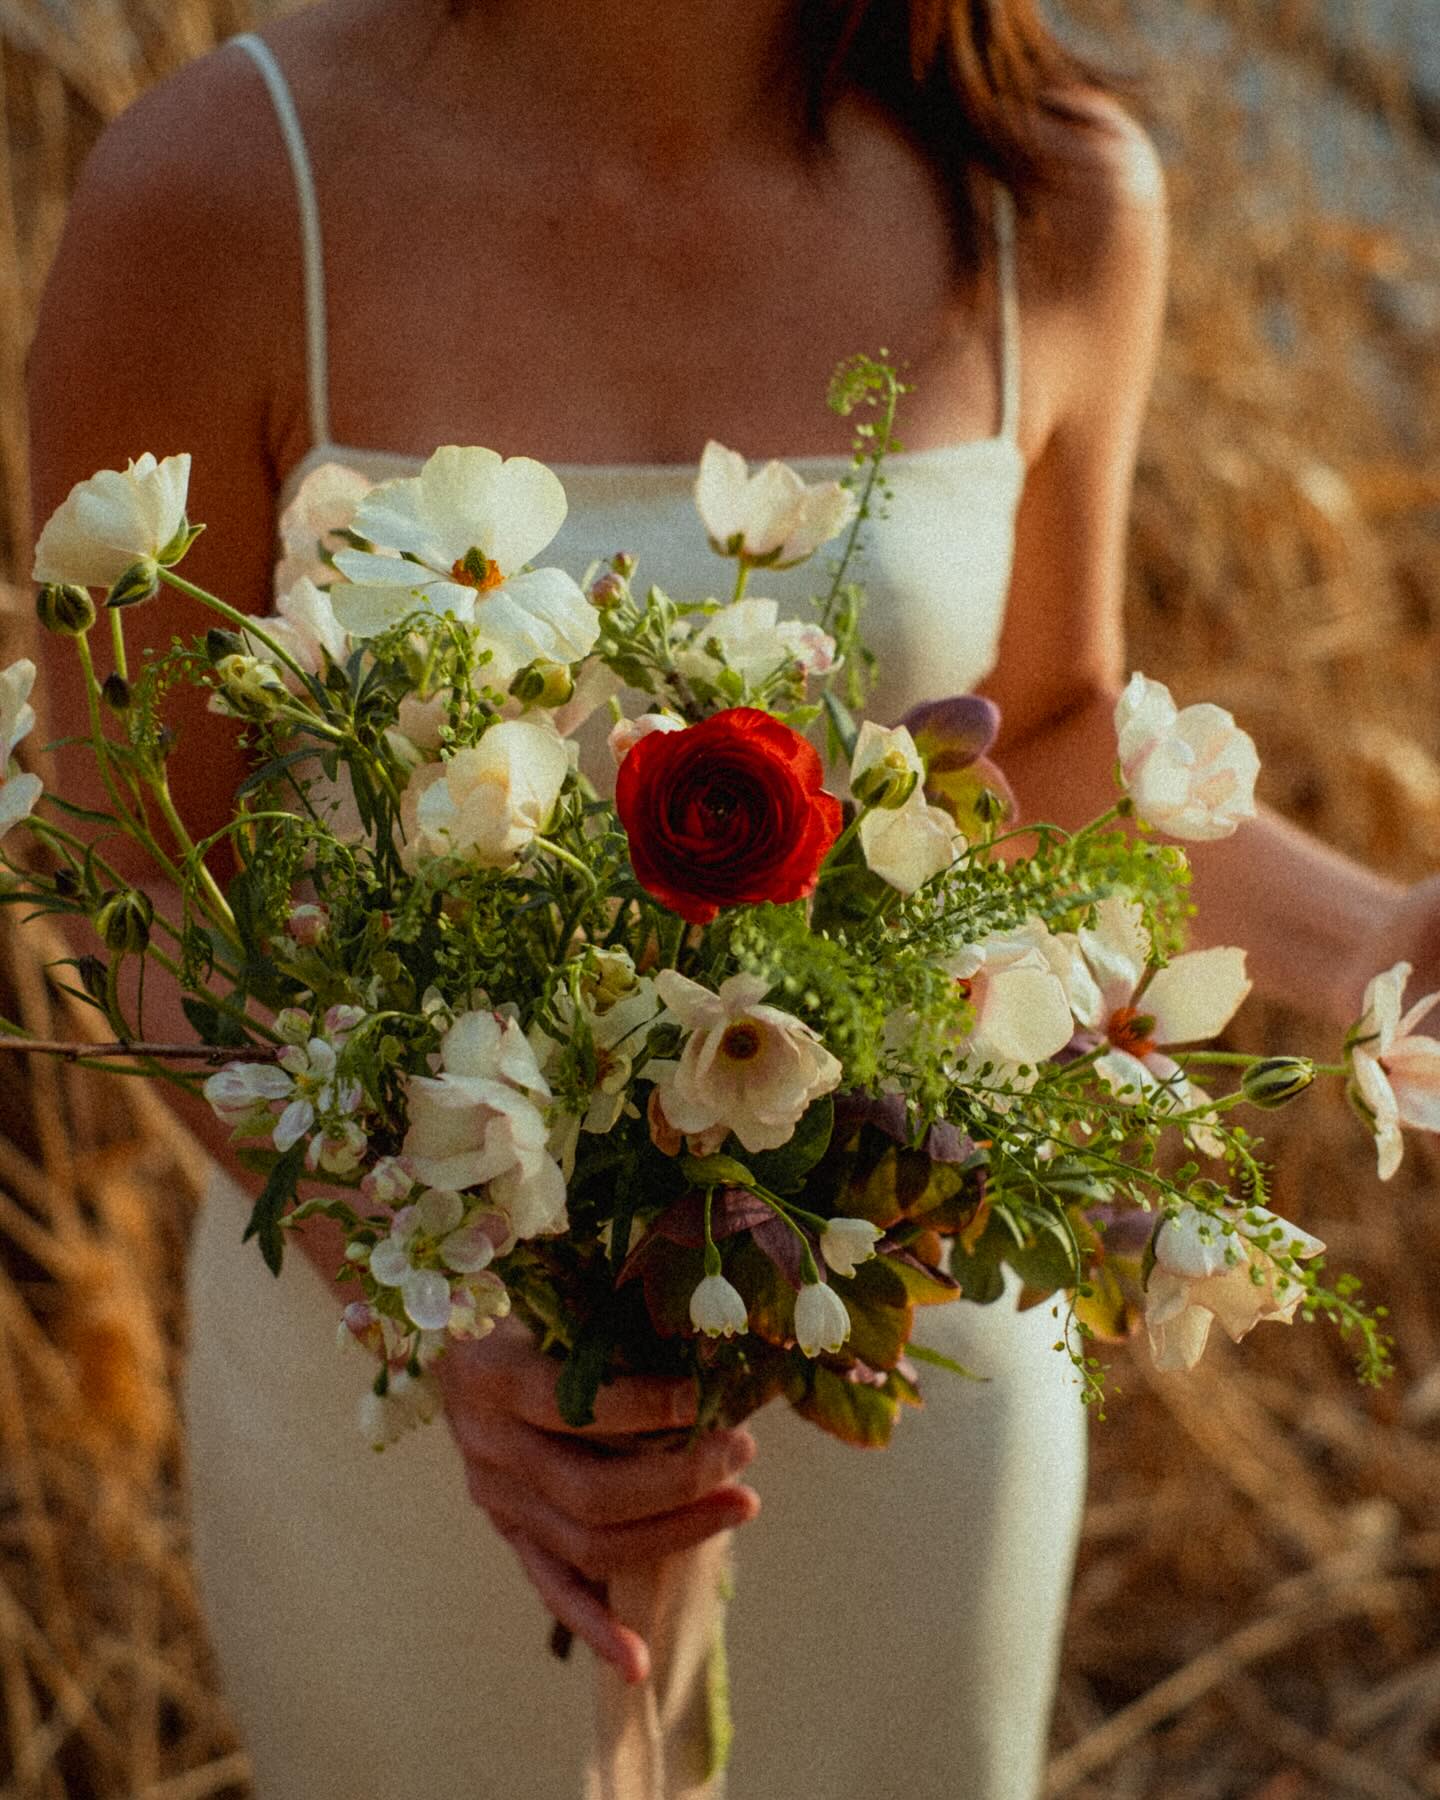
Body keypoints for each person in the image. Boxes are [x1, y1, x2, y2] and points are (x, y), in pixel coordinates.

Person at [25, 2, 1440, 1794]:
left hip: (897, 1359)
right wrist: (432, 1285)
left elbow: (1051, 739)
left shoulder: (1048, 194)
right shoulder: (221, 188)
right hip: (399, 1382)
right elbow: (137, 864)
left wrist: (1384, 943)